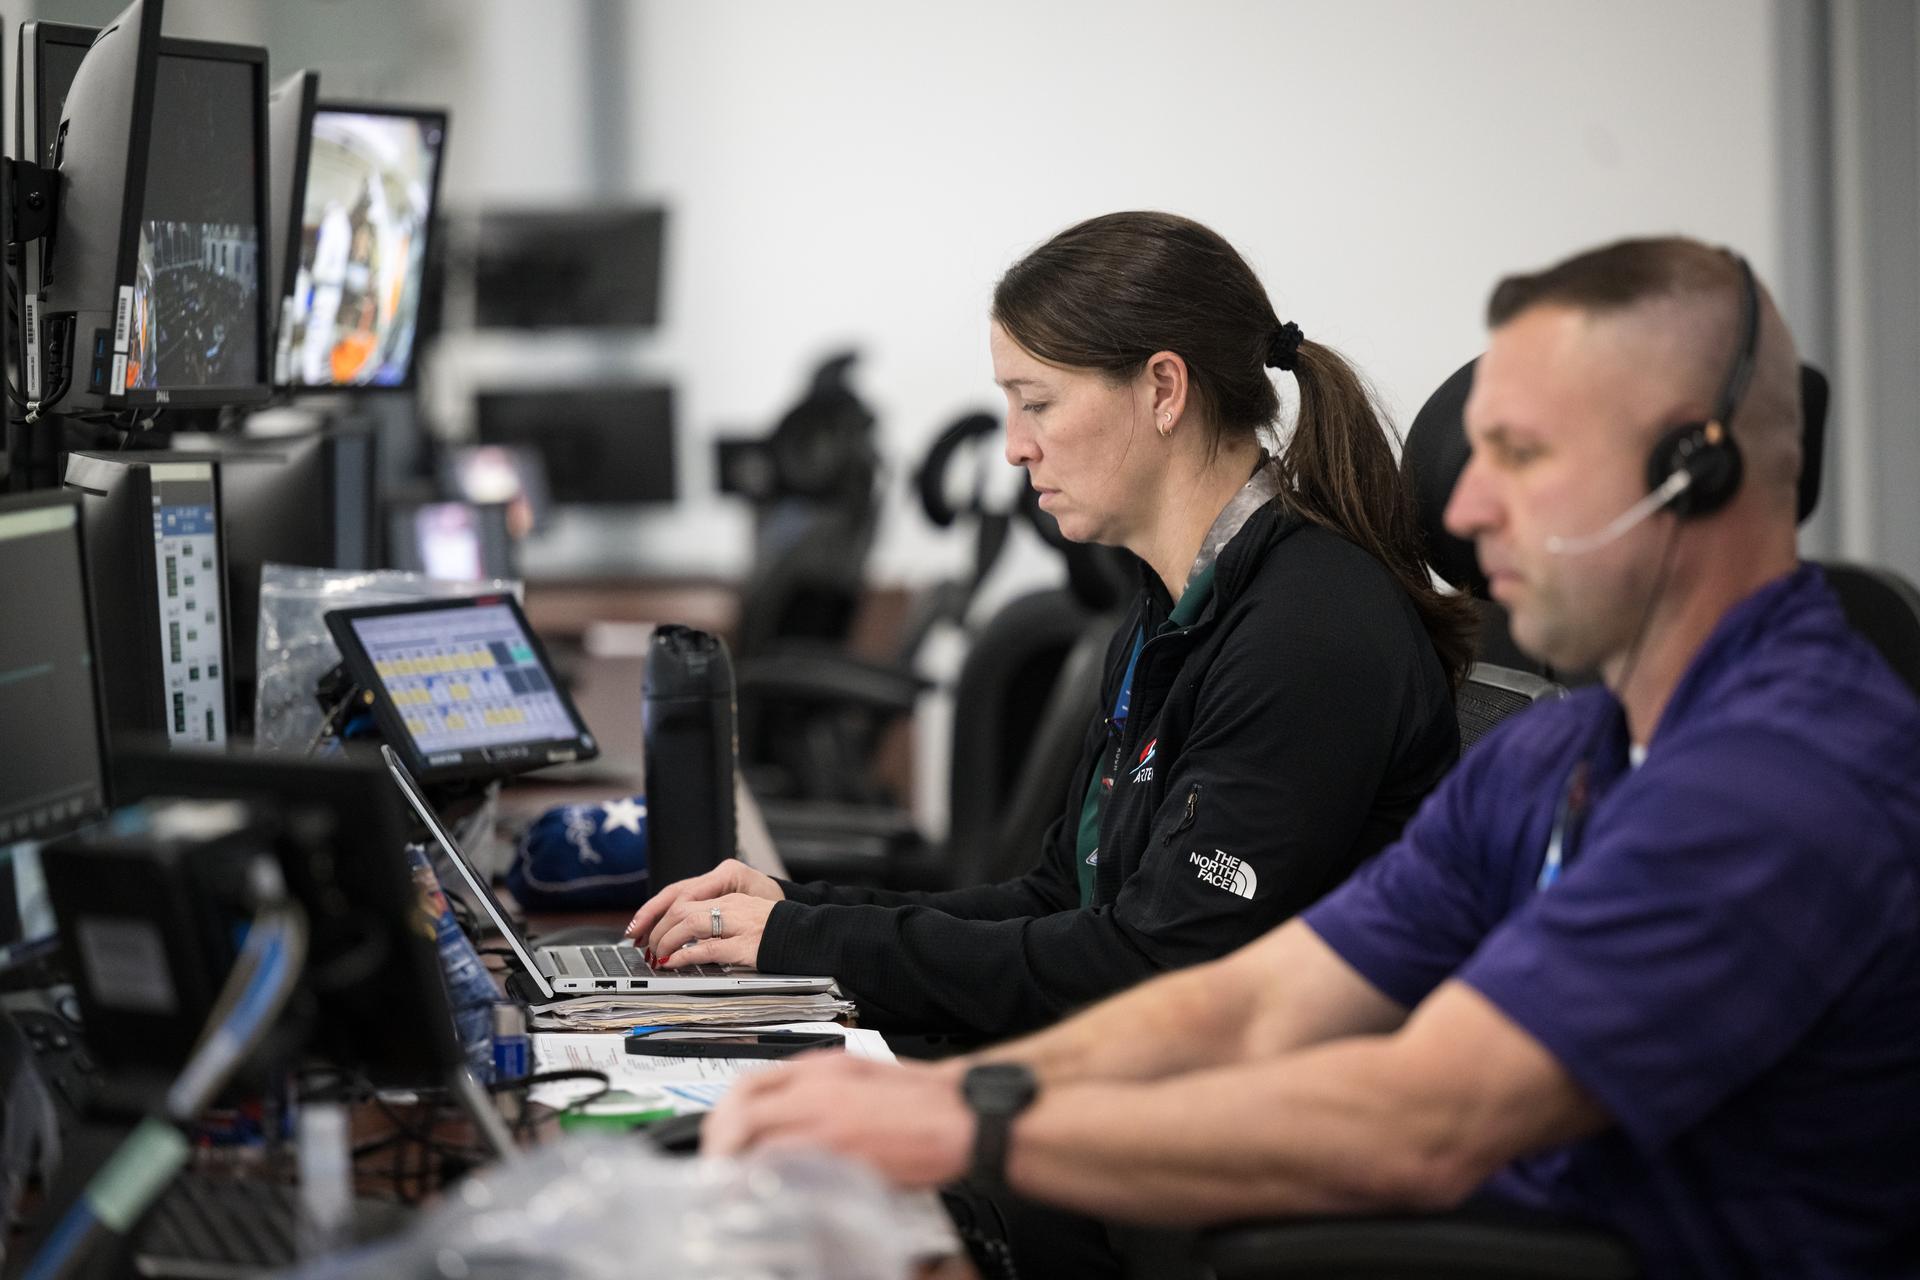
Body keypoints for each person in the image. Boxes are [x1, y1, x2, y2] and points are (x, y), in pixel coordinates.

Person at [700, 237, 1920, 1278]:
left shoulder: (1775, 787)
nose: (1472, 505)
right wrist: (937, 1087)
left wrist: (970, 1120)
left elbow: (1427, 1118)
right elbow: (1265, 991)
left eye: (1529, 454)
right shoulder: (1560, 752)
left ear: (1690, 473)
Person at [627, 211, 1473, 1038]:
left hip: (1245, 1134)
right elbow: (1059, 901)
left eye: (1036, 403)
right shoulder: (1169, 613)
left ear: (1163, 390)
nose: (1014, 446)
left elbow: (1152, 973)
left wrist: (808, 944)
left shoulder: (1306, 634)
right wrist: (792, 910)